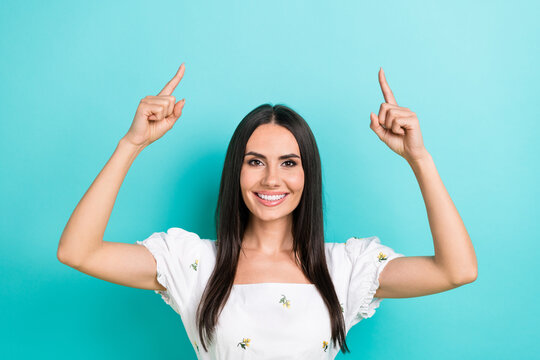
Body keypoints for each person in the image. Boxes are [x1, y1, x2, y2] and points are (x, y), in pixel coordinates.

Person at [57, 63, 478, 359]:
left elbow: (456, 270)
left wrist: (419, 159)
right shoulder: (193, 262)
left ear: (307, 176)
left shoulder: (345, 268)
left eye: (289, 163)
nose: (271, 179)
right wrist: (131, 144)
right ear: (235, 172)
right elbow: (78, 251)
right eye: (255, 161)